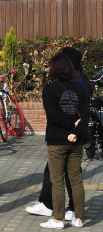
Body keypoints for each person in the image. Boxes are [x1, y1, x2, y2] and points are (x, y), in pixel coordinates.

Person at [26, 47, 90, 220]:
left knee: (57, 180)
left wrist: (70, 128)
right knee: (75, 180)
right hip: (76, 140)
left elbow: (53, 115)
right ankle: (78, 217)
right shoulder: (82, 85)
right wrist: (76, 131)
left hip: (58, 139)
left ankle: (57, 217)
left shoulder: (51, 88)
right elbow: (84, 116)